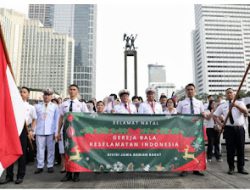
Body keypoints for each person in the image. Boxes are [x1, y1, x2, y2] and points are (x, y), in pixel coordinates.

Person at [0, 87, 37, 185]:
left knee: (22, 153)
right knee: (10, 152)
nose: (21, 93)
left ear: (28, 95)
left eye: (24, 92)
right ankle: (9, 175)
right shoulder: (12, 105)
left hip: (23, 131)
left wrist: (32, 130)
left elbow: (34, 119)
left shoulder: (31, 107)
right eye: (20, 92)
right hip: (12, 130)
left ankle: (20, 175)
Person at [56, 84, 89, 182]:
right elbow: (61, 118)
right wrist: (58, 131)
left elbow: (86, 117)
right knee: (67, 153)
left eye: (74, 89)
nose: (72, 91)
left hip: (77, 133)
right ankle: (68, 173)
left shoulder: (81, 104)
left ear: (77, 91)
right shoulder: (64, 104)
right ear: (68, 91)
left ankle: (76, 174)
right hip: (66, 132)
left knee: (76, 152)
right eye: (70, 89)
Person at [213, 88, 248, 175]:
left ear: (234, 94)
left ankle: (241, 168)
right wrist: (221, 125)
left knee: (241, 149)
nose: (229, 94)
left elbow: (245, 112)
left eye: (231, 93)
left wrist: (236, 106)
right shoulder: (223, 105)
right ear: (226, 95)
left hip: (239, 128)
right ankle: (231, 168)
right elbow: (215, 116)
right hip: (229, 129)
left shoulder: (240, 103)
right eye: (227, 93)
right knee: (230, 149)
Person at [176, 83, 207, 177]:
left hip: (197, 129)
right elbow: (177, 115)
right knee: (185, 148)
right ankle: (184, 168)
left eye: (191, 89)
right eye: (188, 89)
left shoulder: (199, 102)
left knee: (197, 148)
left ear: (195, 91)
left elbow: (203, 114)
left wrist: (203, 115)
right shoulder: (181, 103)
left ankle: (196, 168)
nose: (190, 91)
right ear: (185, 91)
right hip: (185, 129)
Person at [34, 89, 59, 174]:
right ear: (43, 95)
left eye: (48, 95)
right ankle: (40, 166)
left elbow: (57, 120)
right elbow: (35, 119)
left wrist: (56, 132)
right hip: (39, 130)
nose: (46, 96)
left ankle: (50, 165)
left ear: (51, 96)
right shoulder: (37, 106)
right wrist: (33, 131)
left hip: (50, 131)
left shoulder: (55, 106)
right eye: (45, 94)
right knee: (40, 149)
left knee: (51, 149)